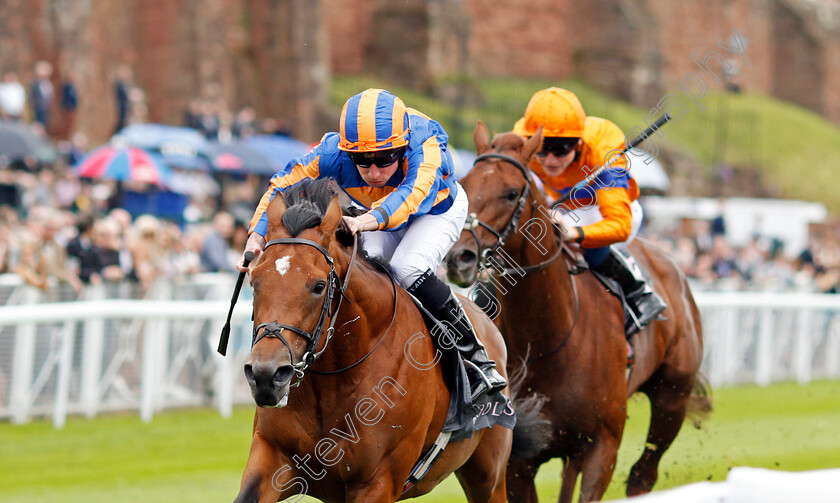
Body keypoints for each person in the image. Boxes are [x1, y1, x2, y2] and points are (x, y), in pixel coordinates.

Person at [238, 88, 506, 399]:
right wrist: (257, 236)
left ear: (403, 147)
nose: (374, 172)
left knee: (407, 267)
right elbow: (282, 183)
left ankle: (473, 355)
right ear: (347, 151)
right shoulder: (331, 151)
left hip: (435, 211)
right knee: (363, 269)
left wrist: (366, 220)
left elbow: (411, 198)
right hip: (376, 215)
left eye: (385, 158)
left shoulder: (426, 144)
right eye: (361, 161)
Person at [513, 87, 666, 339]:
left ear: (579, 142)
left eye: (561, 148)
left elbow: (620, 224)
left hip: (605, 207)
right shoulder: (522, 138)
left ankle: (637, 291)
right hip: (561, 203)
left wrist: (574, 233)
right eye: (542, 149)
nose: (550, 159)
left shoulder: (605, 148)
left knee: (589, 247)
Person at [30, 61, 54, 131]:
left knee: (44, 123)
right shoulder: (35, 84)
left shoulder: (48, 83)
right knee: (37, 124)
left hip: (46, 108)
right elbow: (32, 96)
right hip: (37, 107)